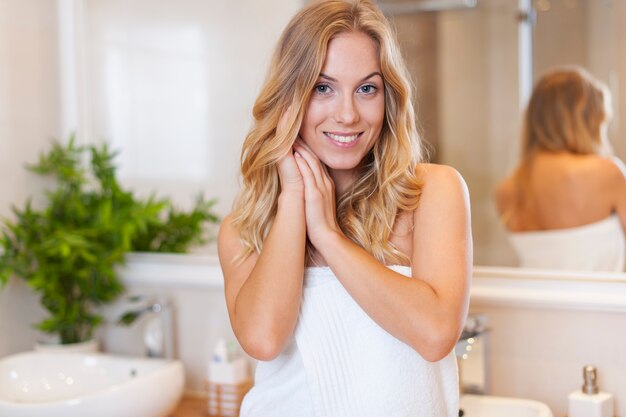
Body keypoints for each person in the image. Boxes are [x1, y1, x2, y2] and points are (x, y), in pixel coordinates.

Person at [217, 1, 472, 415]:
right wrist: (293, 199)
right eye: (323, 88)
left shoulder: (432, 192)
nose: (348, 114)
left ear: (387, 97)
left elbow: (435, 333)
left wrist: (328, 236)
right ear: (289, 98)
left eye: (366, 88)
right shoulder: (244, 229)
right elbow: (264, 340)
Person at [495, 66, 626, 271]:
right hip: (599, 302)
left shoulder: (506, 190)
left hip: (532, 301)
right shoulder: (608, 173)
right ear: (589, 120)